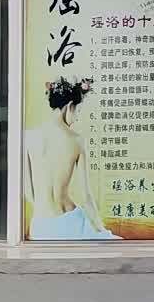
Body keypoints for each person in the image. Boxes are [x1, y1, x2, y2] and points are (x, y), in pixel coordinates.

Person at [24, 77, 118, 241]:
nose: (76, 119)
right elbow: (86, 197)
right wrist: (100, 230)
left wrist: (44, 216)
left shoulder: (28, 137)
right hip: (70, 223)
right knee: (115, 246)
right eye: (77, 111)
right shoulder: (76, 141)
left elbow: (27, 190)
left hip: (39, 226)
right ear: (68, 107)